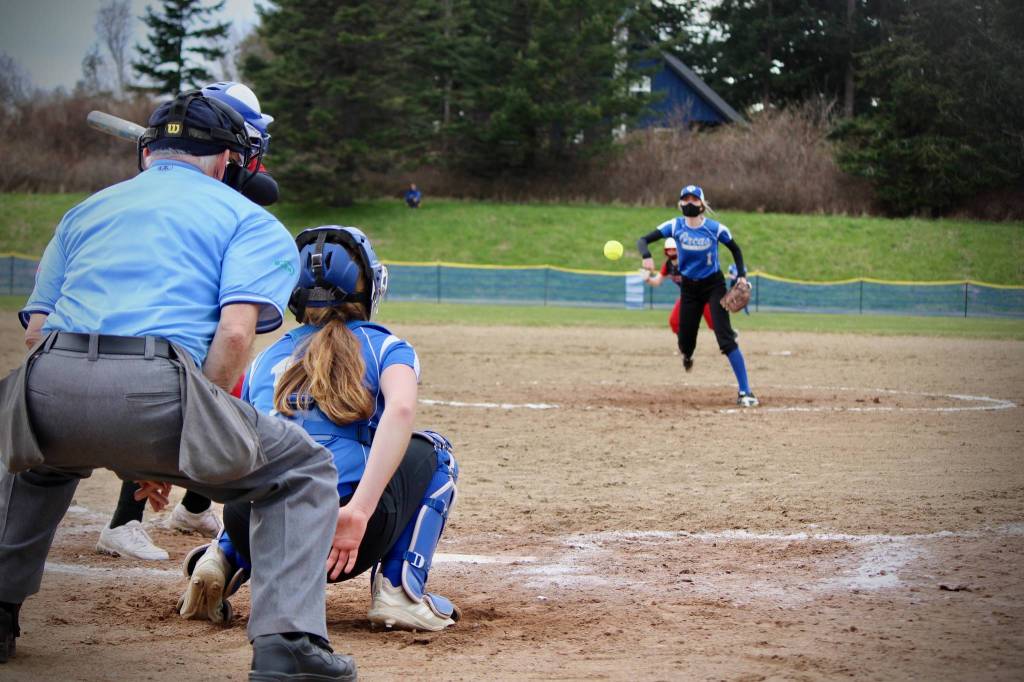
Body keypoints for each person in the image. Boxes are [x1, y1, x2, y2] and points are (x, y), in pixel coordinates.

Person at [0, 91, 357, 680]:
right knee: (303, 471)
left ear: (148, 153)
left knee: (36, 463)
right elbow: (236, 336)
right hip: (159, 384)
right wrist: (167, 430)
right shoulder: (251, 221)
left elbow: (38, 330)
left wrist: (95, 425)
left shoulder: (85, 211)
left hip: (47, 382)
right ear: (228, 161)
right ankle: (287, 643)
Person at [178, 226, 461, 633]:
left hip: (259, 535)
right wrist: (359, 513)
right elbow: (400, 410)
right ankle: (401, 588)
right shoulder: (387, 346)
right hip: (344, 542)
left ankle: (222, 557)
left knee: (267, 462)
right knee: (435, 450)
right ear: (368, 286)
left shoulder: (268, 356)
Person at [96, 81, 280, 562]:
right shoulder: (172, 185)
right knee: (183, 399)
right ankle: (123, 522)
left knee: (228, 386)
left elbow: (259, 191)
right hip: (158, 314)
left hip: (199, 307)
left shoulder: (228, 179)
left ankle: (195, 506)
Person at [635, 184, 758, 407]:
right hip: (689, 289)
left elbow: (736, 250)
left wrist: (741, 275)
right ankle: (688, 355)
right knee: (685, 342)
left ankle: (746, 392)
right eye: (686, 199)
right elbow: (642, 240)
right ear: (681, 204)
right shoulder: (675, 225)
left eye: (694, 199)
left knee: (726, 338)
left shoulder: (715, 228)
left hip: (713, 286)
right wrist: (646, 255)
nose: (690, 202)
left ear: (702, 204)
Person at [644, 237, 715, 336]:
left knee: (714, 324)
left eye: (674, 249)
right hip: (687, 297)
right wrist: (647, 279)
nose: (672, 252)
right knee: (674, 322)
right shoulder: (668, 265)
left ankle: (731, 335)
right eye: (669, 250)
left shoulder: (688, 261)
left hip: (703, 296)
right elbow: (657, 281)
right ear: (666, 251)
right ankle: (684, 344)